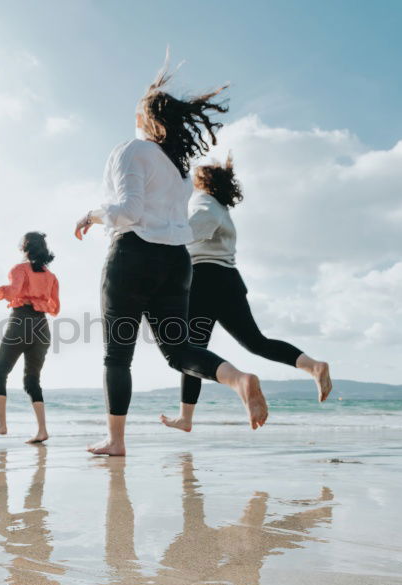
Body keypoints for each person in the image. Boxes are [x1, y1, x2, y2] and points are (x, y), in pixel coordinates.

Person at [74, 64, 268, 457]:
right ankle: (238, 378)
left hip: (133, 255)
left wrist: (92, 215)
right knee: (178, 351)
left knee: (117, 354)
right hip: (176, 262)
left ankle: (115, 441)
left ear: (145, 119)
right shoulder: (179, 170)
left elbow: (128, 211)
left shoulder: (131, 151)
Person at [161, 156, 332, 432]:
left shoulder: (204, 202)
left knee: (192, 351)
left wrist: (163, 235)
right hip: (228, 281)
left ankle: (187, 416)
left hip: (204, 280)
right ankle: (313, 366)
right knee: (256, 342)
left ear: (203, 182)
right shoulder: (221, 208)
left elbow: (192, 229)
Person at [0, 232, 59, 444]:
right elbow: (55, 307)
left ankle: (2, 425)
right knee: (32, 380)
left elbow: (13, 292)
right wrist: (38, 301)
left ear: (24, 247)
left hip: (21, 322)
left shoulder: (20, 269)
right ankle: (42, 431)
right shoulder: (51, 277)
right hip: (42, 326)